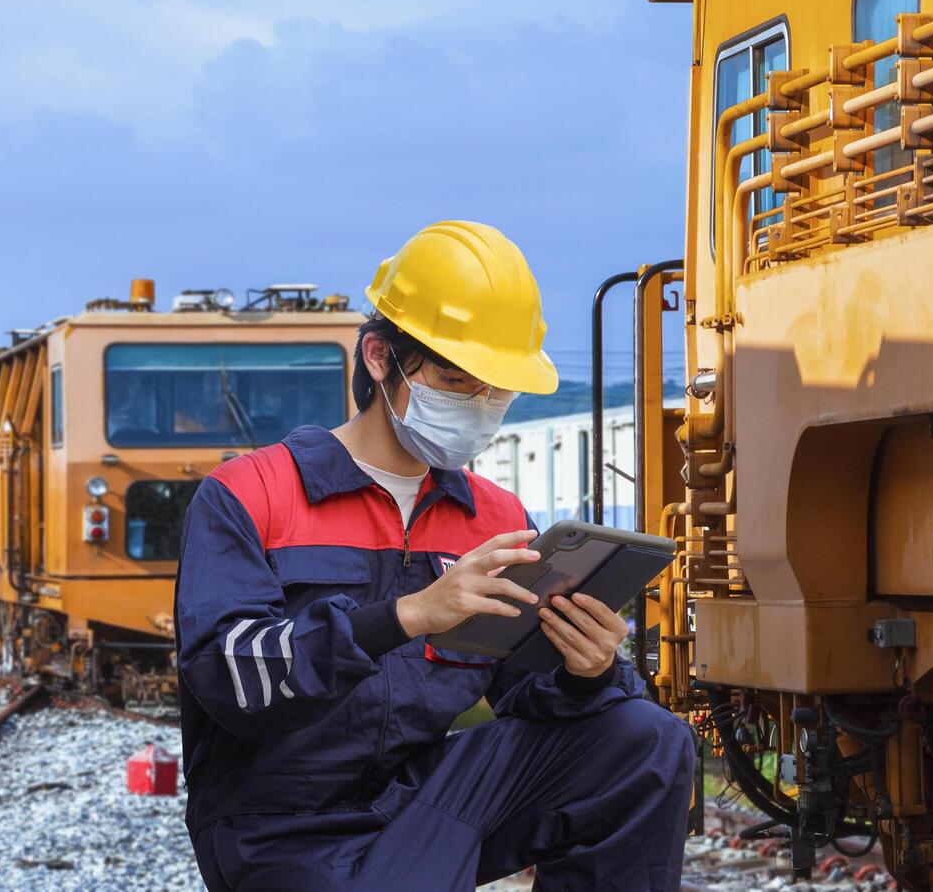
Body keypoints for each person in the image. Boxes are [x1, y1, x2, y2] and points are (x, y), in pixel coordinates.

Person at [174, 221, 695, 891]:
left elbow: (523, 695)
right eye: (456, 381)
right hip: (277, 829)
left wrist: (585, 672)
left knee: (643, 739)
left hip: (422, 799)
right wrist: (407, 615)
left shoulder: (497, 518)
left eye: (496, 392)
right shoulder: (252, 494)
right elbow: (227, 683)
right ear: (379, 358)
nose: (479, 408)